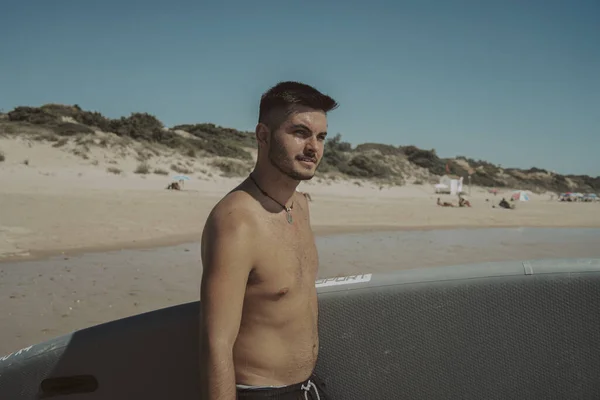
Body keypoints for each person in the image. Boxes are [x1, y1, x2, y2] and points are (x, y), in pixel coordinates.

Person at [199, 81, 338, 400]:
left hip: (308, 388)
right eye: (300, 133)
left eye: (321, 137)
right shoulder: (236, 221)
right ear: (263, 135)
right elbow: (215, 343)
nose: (313, 148)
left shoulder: (301, 205)